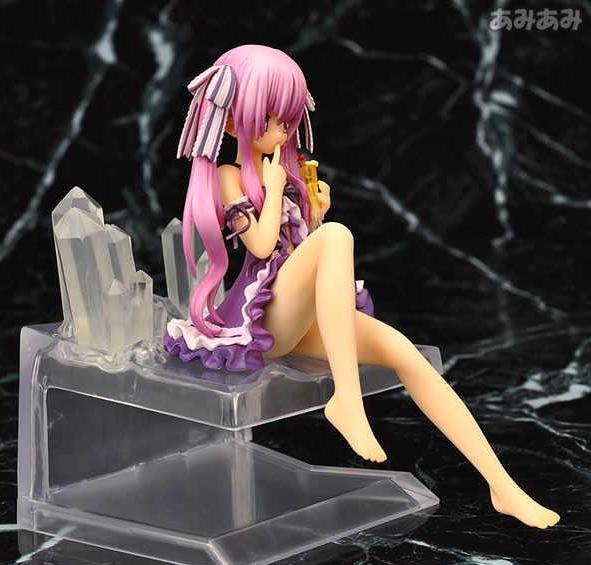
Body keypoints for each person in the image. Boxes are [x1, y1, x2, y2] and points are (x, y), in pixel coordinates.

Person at [165, 45, 560, 529]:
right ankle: (348, 402)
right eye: (270, 120)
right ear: (232, 122)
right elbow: (263, 246)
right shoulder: (230, 176)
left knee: (407, 354)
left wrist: (312, 213)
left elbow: (301, 253)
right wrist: (278, 191)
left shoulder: (281, 174)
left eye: (288, 122)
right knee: (338, 236)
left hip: (299, 310)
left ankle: (504, 487)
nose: (282, 133)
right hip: (263, 320)